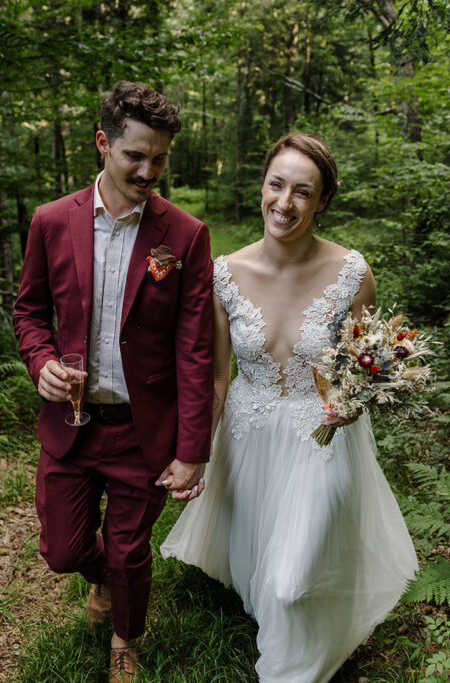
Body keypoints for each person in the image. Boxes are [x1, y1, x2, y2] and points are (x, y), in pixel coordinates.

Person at [161, 133, 418, 682]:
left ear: (322, 202)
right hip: (249, 433)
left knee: (289, 581)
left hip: (321, 432)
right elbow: (216, 377)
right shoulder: (224, 274)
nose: (285, 202)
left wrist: (354, 401)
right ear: (262, 187)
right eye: (276, 185)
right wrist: (197, 451)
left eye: (303, 192)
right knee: (262, 572)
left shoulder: (352, 273)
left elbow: (362, 361)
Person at [13, 81, 214, 683]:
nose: (148, 170)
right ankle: (94, 576)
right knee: (63, 551)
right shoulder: (51, 222)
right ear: (104, 144)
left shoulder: (185, 236)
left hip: (140, 430)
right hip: (70, 425)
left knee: (130, 550)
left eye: (160, 158)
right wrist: (40, 359)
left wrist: (192, 450)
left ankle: (126, 641)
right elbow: (28, 312)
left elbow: (195, 347)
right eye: (135, 155)